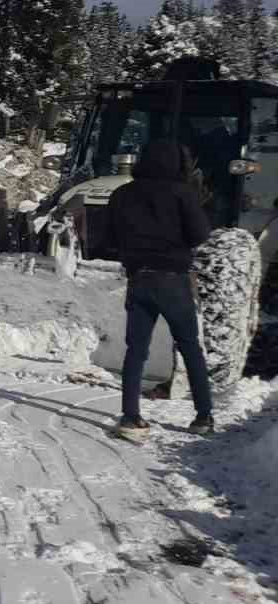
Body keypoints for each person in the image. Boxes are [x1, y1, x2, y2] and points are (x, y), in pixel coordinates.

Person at [108, 140, 215, 438]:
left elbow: (110, 237)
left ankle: (130, 417)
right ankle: (203, 417)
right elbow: (200, 235)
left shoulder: (121, 194)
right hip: (173, 281)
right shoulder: (182, 193)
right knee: (190, 347)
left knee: (136, 350)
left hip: (139, 279)